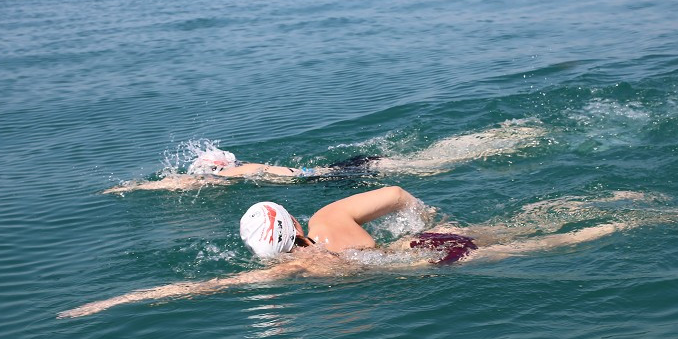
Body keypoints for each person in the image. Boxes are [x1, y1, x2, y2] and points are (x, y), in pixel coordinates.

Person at [58, 187, 678, 318]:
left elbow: (201, 290)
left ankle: (644, 221)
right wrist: (427, 219)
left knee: (554, 244)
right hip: (425, 240)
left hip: (430, 266)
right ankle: (617, 198)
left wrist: (119, 299)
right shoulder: (330, 215)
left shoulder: (300, 267)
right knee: (524, 221)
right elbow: (394, 191)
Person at [101, 120, 545, 194]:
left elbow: (184, 183)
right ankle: (501, 137)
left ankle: (504, 141)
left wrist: (135, 185)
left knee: (439, 164)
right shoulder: (245, 168)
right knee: (432, 158)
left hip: (336, 175)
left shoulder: (242, 173)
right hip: (341, 169)